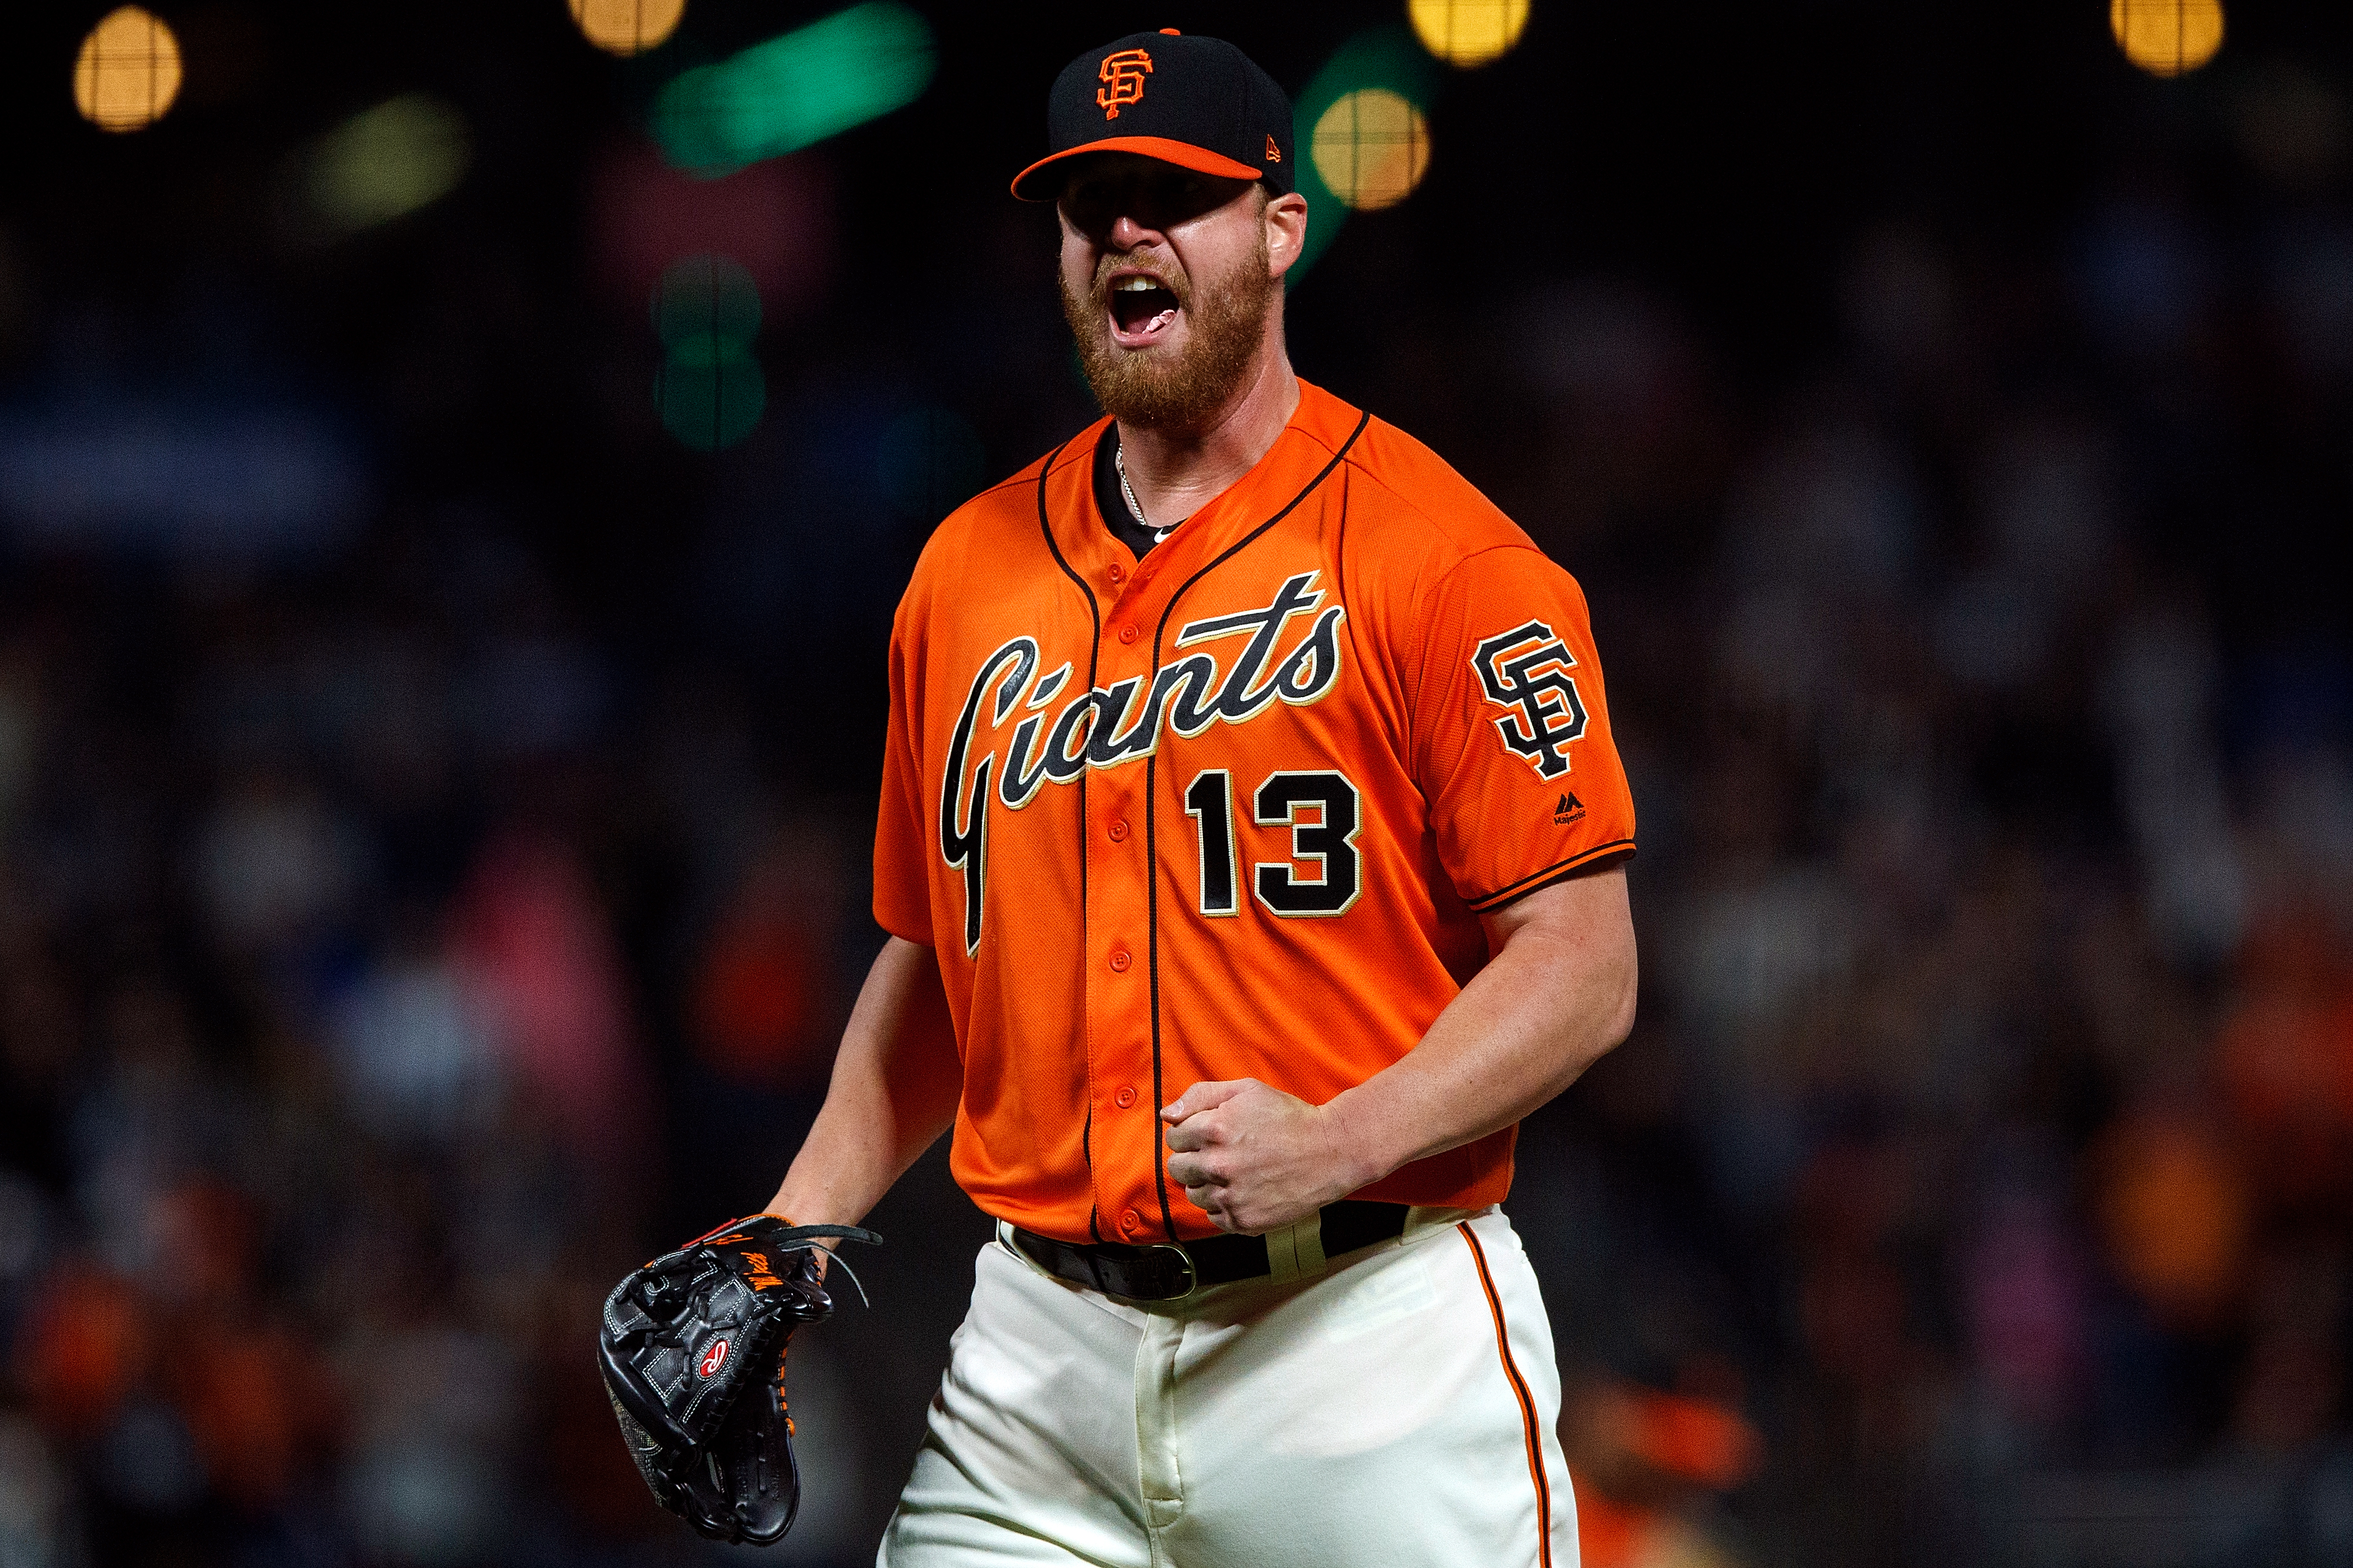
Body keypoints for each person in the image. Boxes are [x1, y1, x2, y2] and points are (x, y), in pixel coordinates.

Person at [767, 29, 1638, 1567]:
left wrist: (1350, 1136)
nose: (1124, 230)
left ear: (1280, 230)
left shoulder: (1450, 560)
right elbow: (938, 966)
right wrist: (795, 1231)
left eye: (1174, 194)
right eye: (1090, 202)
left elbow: (1585, 966)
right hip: (1039, 1351)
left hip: (1362, 1324)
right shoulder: (964, 578)